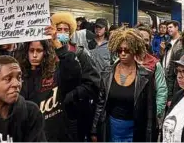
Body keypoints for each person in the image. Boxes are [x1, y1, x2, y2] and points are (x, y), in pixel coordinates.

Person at [16, 25, 84, 141]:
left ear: (46, 52)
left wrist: (57, 44)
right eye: (31, 51)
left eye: (39, 51)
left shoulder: (55, 72)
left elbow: (74, 73)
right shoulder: (19, 77)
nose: (35, 55)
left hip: (55, 135)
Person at [91, 28, 157, 142]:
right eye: (119, 50)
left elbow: (150, 111)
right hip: (111, 128)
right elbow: (100, 103)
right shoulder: (107, 72)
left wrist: (150, 137)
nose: (122, 54)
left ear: (135, 50)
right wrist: (94, 130)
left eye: (127, 50)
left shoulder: (146, 76)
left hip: (135, 131)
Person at [51, 12, 101, 141]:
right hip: (52, 111)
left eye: (66, 30)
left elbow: (93, 83)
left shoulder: (80, 53)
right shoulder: (47, 55)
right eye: (59, 29)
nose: (62, 33)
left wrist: (73, 95)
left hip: (75, 112)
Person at [136, 25, 168, 118]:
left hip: (147, 112)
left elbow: (162, 90)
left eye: (146, 40)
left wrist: (156, 112)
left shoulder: (155, 64)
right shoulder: (123, 61)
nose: (143, 42)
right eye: (139, 39)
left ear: (150, 42)